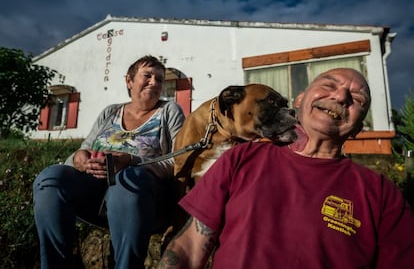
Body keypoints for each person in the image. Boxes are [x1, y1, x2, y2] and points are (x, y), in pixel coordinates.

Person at [158, 68, 414, 268]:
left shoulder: (383, 194)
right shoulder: (240, 158)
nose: (340, 96)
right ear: (301, 101)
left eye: (357, 98)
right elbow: (189, 248)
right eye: (328, 85)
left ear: (358, 128)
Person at [33, 55, 185, 269]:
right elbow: (81, 151)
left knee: (128, 178)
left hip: (141, 196)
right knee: (50, 179)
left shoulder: (169, 111)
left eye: (159, 79)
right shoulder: (110, 111)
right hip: (96, 192)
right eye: (147, 76)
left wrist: (129, 161)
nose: (154, 82)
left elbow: (178, 160)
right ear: (129, 81)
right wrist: (81, 160)